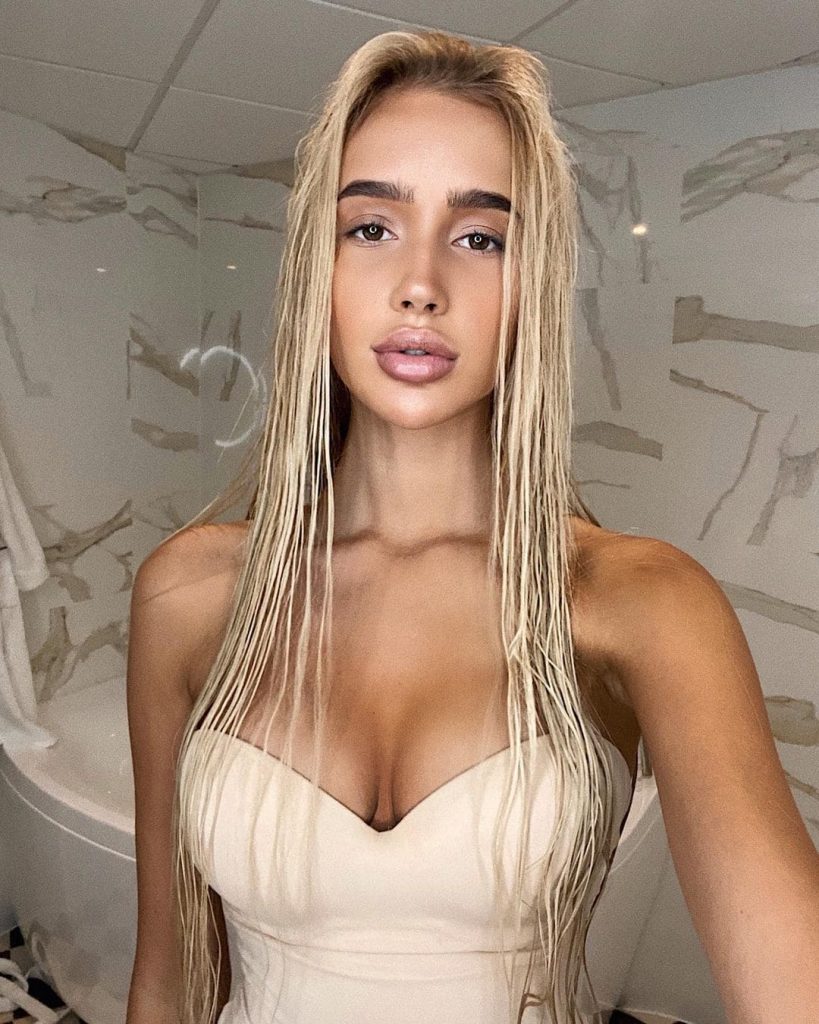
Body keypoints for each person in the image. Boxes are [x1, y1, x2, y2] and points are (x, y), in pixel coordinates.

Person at [124, 28, 819, 1024]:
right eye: (371, 226)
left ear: (532, 284)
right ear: (314, 267)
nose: (421, 282)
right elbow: (167, 977)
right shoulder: (191, 594)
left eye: (480, 236)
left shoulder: (642, 605)